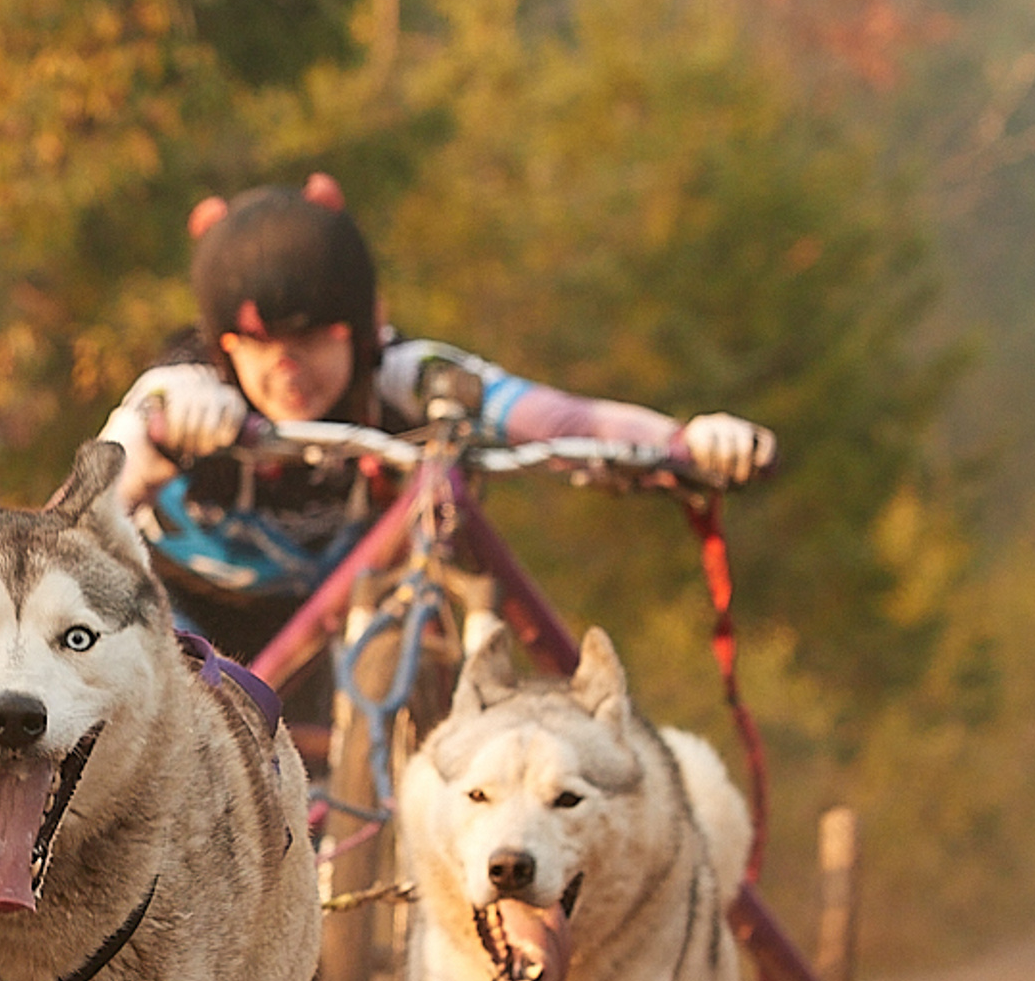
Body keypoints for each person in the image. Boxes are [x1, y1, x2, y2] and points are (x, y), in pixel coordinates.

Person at [100, 174, 777, 668]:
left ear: (362, 329)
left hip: (344, 628)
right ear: (225, 343)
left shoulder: (412, 377)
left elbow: (559, 418)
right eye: (260, 344)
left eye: (312, 337)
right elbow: (93, 493)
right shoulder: (183, 392)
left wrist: (684, 442)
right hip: (181, 621)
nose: (285, 367)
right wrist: (153, 435)